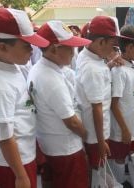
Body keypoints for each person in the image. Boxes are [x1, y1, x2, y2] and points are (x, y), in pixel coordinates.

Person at [0, 8, 49, 188]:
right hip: (12, 162)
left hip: (21, 152)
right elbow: (5, 137)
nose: (32, 50)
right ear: (2, 47)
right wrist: (21, 176)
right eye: (26, 45)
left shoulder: (7, 62)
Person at [28, 20, 91, 188]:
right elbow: (71, 121)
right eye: (69, 47)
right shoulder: (50, 78)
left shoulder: (41, 69)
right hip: (66, 149)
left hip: (51, 144)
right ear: (55, 48)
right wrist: (87, 136)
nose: (74, 51)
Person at [75, 16, 127, 170]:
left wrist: (109, 65)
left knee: (100, 173)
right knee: (99, 173)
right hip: (97, 134)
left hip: (94, 130)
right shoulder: (93, 69)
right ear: (101, 42)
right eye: (112, 45)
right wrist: (100, 141)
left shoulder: (87, 56)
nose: (113, 49)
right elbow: (96, 108)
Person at [107, 25, 134, 186]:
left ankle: (132, 182)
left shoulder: (133, 67)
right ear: (129, 47)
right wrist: (124, 129)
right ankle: (119, 182)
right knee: (120, 158)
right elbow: (113, 104)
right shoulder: (119, 71)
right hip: (123, 129)